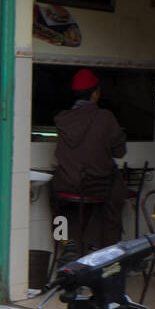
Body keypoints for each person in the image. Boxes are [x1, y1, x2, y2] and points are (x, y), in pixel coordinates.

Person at [50, 69, 128, 252]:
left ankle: (65, 243)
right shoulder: (105, 117)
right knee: (111, 196)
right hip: (96, 186)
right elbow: (120, 152)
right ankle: (97, 246)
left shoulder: (63, 119)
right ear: (95, 93)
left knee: (57, 201)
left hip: (66, 185)